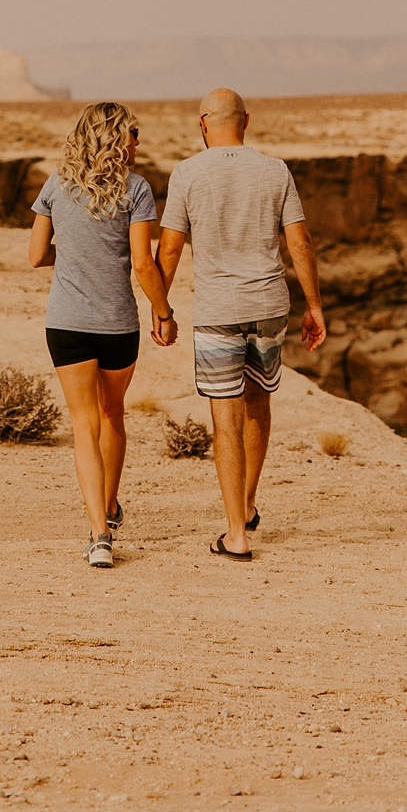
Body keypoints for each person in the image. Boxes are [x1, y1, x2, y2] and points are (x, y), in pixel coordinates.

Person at [156, 87, 325, 560]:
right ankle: (248, 503)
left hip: (217, 311)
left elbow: (168, 249)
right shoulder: (275, 170)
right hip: (270, 304)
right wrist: (314, 305)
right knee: (258, 404)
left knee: (224, 420)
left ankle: (236, 534)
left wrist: (159, 307)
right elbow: (300, 242)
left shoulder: (187, 172)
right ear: (246, 121)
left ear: (203, 124)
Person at [28, 101, 178, 569]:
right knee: (112, 414)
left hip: (66, 323)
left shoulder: (56, 184)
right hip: (116, 324)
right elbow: (140, 263)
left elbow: (35, 255)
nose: (138, 142)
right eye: (133, 133)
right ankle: (109, 510)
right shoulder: (137, 190)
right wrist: (164, 310)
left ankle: (98, 534)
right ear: (117, 139)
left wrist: (75, 259)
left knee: (82, 426)